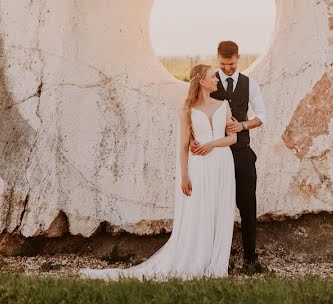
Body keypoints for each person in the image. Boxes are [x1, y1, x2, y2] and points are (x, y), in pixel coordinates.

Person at [80, 63, 237, 280]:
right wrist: (184, 175)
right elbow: (183, 146)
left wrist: (212, 144)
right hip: (199, 166)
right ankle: (196, 258)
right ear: (201, 81)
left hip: (222, 163)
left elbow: (233, 138)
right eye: (213, 76)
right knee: (200, 210)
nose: (217, 80)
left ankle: (215, 262)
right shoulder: (186, 111)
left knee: (219, 209)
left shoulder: (224, 105)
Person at [192, 40, 268, 274]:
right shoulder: (209, 82)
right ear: (218, 59)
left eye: (232, 64)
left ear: (238, 58)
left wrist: (243, 125)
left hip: (243, 154)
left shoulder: (249, 84)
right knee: (214, 208)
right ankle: (215, 259)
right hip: (215, 156)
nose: (227, 69)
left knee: (248, 207)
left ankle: (250, 259)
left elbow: (262, 116)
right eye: (223, 64)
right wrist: (195, 137)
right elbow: (194, 109)